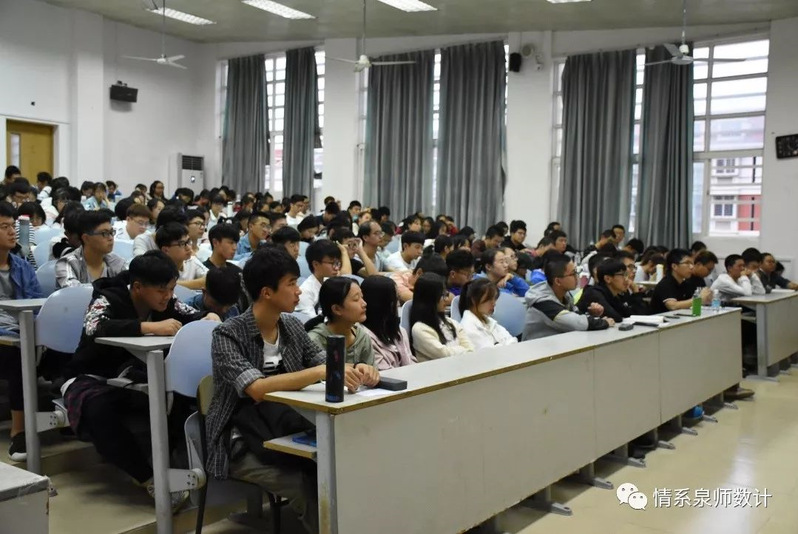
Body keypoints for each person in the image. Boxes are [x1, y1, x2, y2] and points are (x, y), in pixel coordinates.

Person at [205, 248, 378, 534]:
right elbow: (256, 389)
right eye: (291, 284)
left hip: (285, 426)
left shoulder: (291, 326)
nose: (299, 291)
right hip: (240, 441)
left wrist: (357, 368)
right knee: (305, 484)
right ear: (267, 292)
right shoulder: (227, 334)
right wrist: (320, 371)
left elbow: (324, 362)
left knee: (344, 467)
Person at [62, 251, 218, 508]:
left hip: (134, 376)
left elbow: (190, 314)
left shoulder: (168, 301)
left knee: (179, 397)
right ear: (137, 287)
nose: (168, 296)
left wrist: (207, 317)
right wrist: (147, 327)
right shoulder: (107, 297)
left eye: (171, 289)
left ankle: (177, 465)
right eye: (161, 291)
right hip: (92, 377)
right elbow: (94, 327)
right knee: (96, 409)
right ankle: (148, 478)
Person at [0, 202, 43, 460]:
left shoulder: (22, 266)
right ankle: (19, 431)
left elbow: (37, 303)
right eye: (3, 227)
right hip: (5, 339)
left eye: (11, 225)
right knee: (19, 356)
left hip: (21, 331)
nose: (11, 231)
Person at [523, 254, 612, 340]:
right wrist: (604, 322)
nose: (577, 277)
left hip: (557, 342)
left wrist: (591, 314)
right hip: (535, 347)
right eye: (573, 274)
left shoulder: (564, 294)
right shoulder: (543, 302)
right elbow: (575, 322)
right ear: (558, 281)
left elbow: (576, 314)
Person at [308, 277, 381, 372]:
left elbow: (373, 373)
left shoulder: (362, 337)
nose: (364, 304)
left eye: (362, 297)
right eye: (356, 299)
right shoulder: (314, 341)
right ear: (337, 309)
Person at [409, 273, 474, 362]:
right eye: (442, 295)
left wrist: (457, 350)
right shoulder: (419, 329)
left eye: (446, 294)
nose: (446, 299)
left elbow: (471, 351)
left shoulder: (451, 322)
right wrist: (461, 349)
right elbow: (445, 355)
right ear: (429, 298)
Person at [56, 211, 126, 288]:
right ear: (86, 238)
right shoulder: (68, 263)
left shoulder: (117, 262)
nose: (111, 238)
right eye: (104, 233)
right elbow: (74, 292)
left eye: (111, 232)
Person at [361, 276, 416, 370]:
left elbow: (411, 360)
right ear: (382, 303)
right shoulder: (364, 338)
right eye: (395, 299)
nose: (398, 304)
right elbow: (385, 373)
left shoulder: (399, 331)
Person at [458, 278, 517, 350]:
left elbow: (512, 340)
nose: (494, 303)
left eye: (494, 299)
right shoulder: (468, 327)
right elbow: (488, 353)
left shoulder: (488, 321)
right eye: (489, 299)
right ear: (474, 300)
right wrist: (504, 345)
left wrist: (501, 345)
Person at [650, 249, 712, 313]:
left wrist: (706, 298)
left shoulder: (685, 284)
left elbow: (689, 303)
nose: (691, 267)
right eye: (687, 263)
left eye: (692, 263)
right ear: (674, 266)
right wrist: (699, 299)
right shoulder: (665, 284)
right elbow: (673, 306)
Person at [576, 258, 632, 323]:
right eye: (623, 275)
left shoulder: (612, 294)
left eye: (626, 275)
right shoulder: (594, 293)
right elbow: (615, 318)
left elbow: (629, 314)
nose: (627, 279)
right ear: (607, 279)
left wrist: (636, 292)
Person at [295, 240, 342, 316]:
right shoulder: (305, 292)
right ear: (316, 264)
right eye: (332, 263)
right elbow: (310, 321)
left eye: (337, 263)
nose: (336, 268)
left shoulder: (331, 282)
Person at [155, 223, 208, 290]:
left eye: (188, 241)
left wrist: (174, 285)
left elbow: (211, 279)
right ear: (166, 250)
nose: (188, 248)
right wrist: (198, 283)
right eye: (182, 244)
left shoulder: (191, 261)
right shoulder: (156, 268)